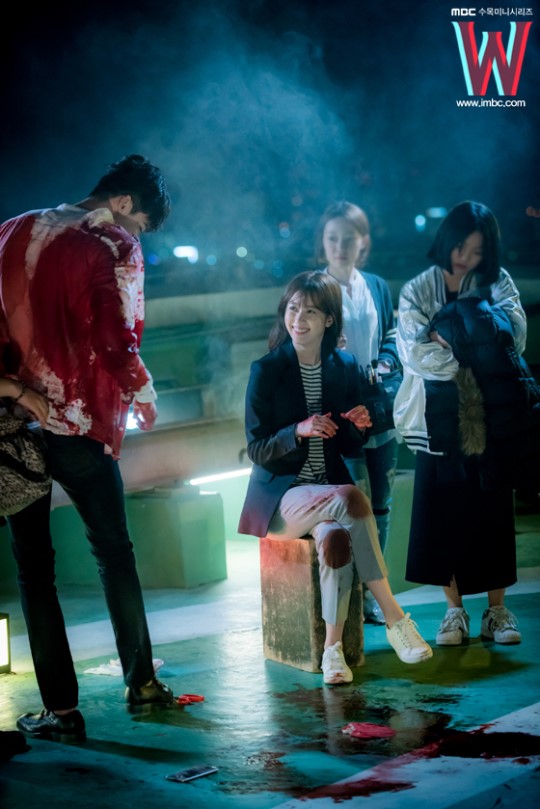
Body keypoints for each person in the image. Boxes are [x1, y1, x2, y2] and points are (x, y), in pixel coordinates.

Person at [0, 154, 175, 743]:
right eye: (139, 224)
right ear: (123, 203)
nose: (136, 236)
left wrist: (14, 391)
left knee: (34, 571)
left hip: (18, 427)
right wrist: (142, 390)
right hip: (81, 424)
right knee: (114, 552)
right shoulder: (110, 243)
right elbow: (113, 332)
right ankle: (141, 683)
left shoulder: (11, 230)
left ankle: (61, 711)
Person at [238, 271, 432, 685]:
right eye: (293, 308)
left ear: (329, 319)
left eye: (310, 311)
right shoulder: (267, 370)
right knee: (350, 497)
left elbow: (346, 440)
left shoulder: (343, 365)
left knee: (336, 539)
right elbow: (256, 448)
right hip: (282, 501)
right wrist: (298, 430)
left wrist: (359, 423)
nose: (299, 319)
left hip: (327, 495)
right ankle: (396, 619)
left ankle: (332, 651)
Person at [394, 200, 529, 648]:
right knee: (443, 511)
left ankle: (496, 611)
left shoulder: (498, 282)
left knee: (493, 509)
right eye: (459, 247)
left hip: (491, 414)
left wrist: (450, 339)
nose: (464, 259)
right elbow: (415, 354)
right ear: (446, 240)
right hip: (436, 417)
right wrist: (477, 348)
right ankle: (454, 612)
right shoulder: (418, 288)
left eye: (476, 251)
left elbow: (515, 338)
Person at [315, 201, 400, 624]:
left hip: (378, 410)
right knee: (353, 509)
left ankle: (373, 594)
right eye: (332, 238)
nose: (340, 246)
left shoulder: (377, 286)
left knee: (381, 506)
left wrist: (383, 365)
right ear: (323, 241)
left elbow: (392, 337)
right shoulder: (317, 289)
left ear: (362, 241)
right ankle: (352, 599)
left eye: (348, 238)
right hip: (341, 414)